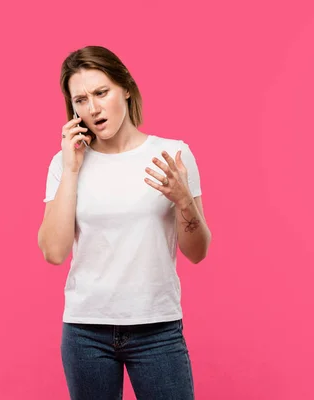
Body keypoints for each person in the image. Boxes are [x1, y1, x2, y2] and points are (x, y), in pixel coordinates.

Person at [37, 45, 212, 400]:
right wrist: (71, 169)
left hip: (157, 329)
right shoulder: (64, 163)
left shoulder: (172, 155)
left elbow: (198, 252)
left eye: (102, 93)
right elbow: (54, 252)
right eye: (81, 99)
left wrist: (182, 201)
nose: (93, 108)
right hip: (86, 331)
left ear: (126, 88)